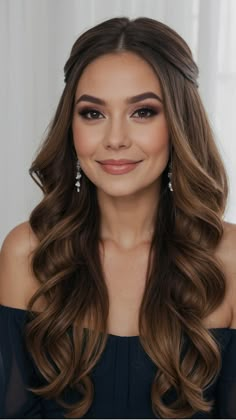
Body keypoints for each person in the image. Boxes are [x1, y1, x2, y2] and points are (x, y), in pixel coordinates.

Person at [0, 15, 236, 419]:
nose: (115, 139)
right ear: (71, 127)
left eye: (143, 112)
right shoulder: (29, 252)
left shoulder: (228, 258)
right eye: (93, 114)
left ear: (179, 122)